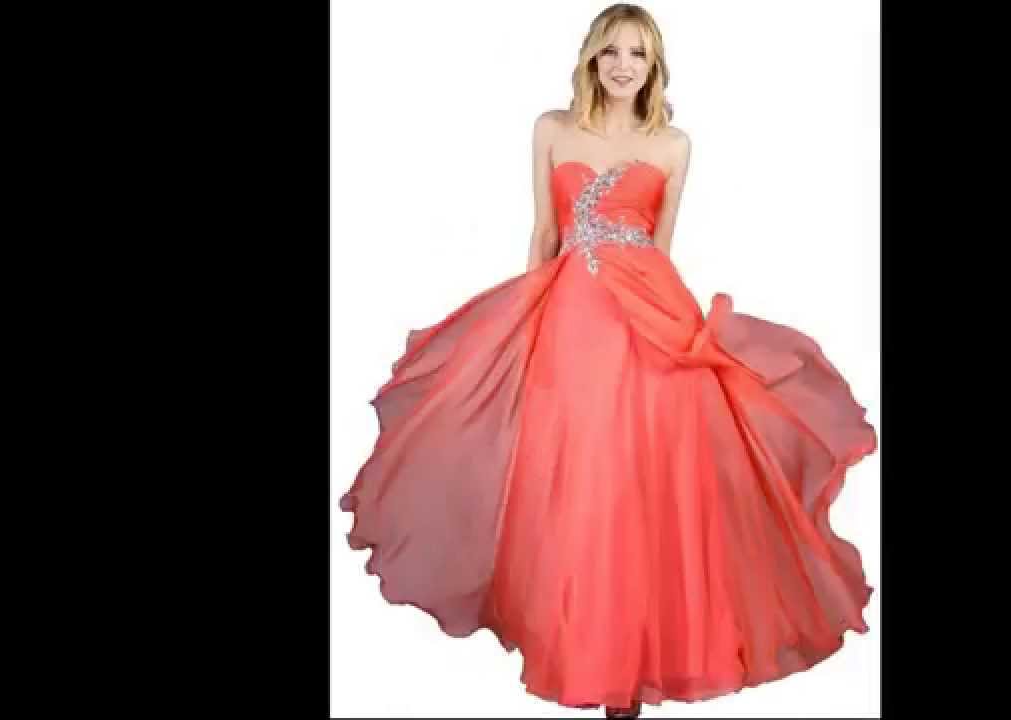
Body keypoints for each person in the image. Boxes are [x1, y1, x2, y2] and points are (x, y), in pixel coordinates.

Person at [339, 4, 877, 718]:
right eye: (612, 51)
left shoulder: (674, 144)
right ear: (592, 58)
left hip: (654, 321)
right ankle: (586, 655)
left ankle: (637, 668)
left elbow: (663, 246)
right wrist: (520, 325)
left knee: (648, 480)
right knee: (579, 480)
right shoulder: (551, 128)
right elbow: (543, 233)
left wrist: (680, 329)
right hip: (570, 321)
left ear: (655, 67)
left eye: (639, 54)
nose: (624, 65)